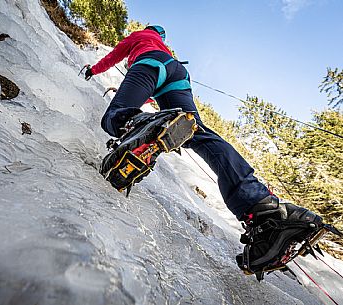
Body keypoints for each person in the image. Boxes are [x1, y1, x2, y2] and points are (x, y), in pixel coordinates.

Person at [84, 25, 324, 277]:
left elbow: (115, 56)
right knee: (198, 133)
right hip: (177, 73)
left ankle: (137, 124)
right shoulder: (162, 44)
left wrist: (93, 70)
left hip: (149, 63)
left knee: (113, 117)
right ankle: (263, 208)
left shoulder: (139, 37)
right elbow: (157, 85)